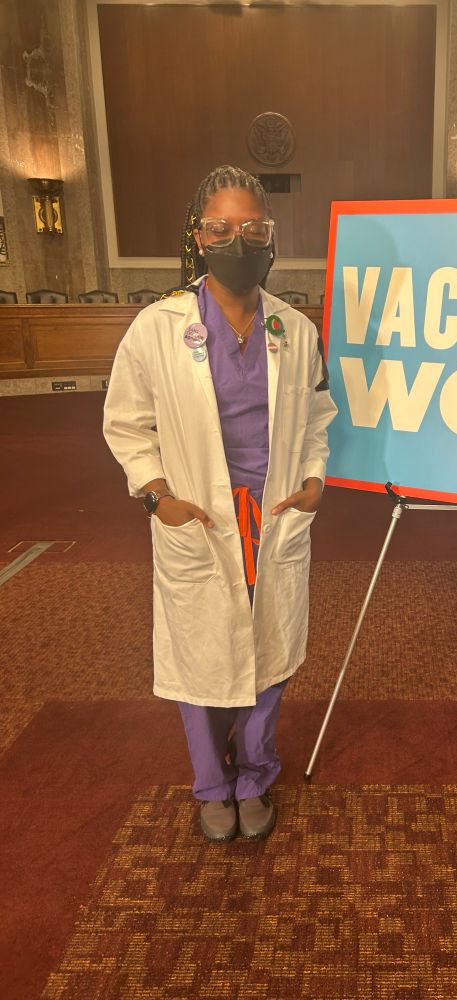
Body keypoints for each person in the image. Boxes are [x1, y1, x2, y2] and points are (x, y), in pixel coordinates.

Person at [103, 166, 337, 842]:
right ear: (198, 238)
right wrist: (157, 498)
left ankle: (255, 771)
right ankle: (212, 783)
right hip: (198, 518)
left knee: (269, 650)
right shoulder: (157, 327)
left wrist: (315, 483)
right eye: (220, 227)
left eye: (253, 228)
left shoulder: (295, 329)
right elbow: (126, 422)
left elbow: (319, 417)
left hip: (274, 513)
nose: (238, 239)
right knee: (203, 655)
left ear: (272, 236)